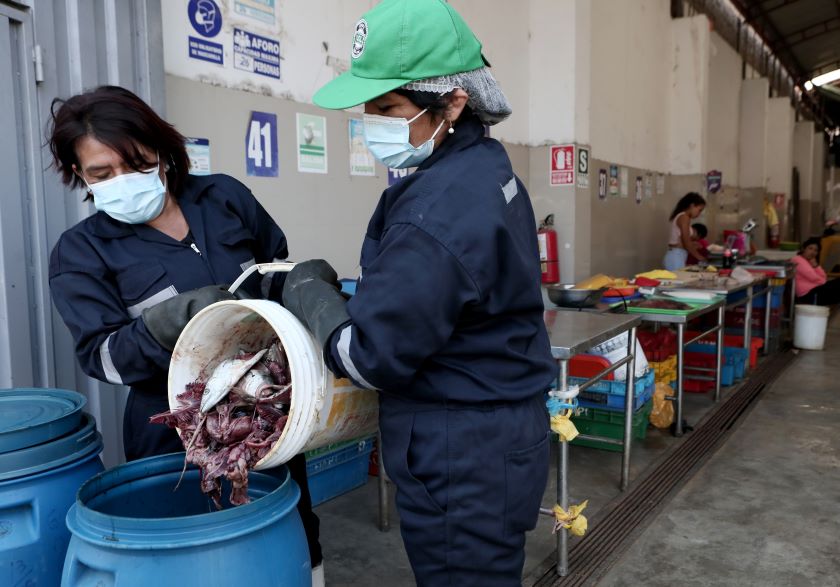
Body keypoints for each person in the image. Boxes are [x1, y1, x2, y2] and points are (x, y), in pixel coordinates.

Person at [282, 1, 557, 584]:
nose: (371, 123)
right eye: (367, 108)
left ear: (453, 102)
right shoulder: (486, 166)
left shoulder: (437, 208)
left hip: (462, 451)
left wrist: (310, 296)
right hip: (500, 434)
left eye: (388, 109)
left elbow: (370, 357)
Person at [46, 86, 324, 583]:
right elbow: (102, 356)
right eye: (102, 174)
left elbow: (271, 267)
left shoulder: (223, 198)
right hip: (174, 431)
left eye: (137, 163)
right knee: (197, 556)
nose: (123, 180)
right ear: (78, 174)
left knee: (290, 527)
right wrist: (165, 323)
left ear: (161, 151)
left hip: (267, 409)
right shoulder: (82, 252)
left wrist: (302, 284)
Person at [664, 192, 707, 270]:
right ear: (692, 205)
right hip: (676, 256)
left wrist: (693, 244)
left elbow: (681, 240)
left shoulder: (683, 217)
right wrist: (700, 257)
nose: (699, 214)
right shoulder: (684, 217)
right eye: (699, 210)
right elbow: (686, 242)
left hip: (678, 255)